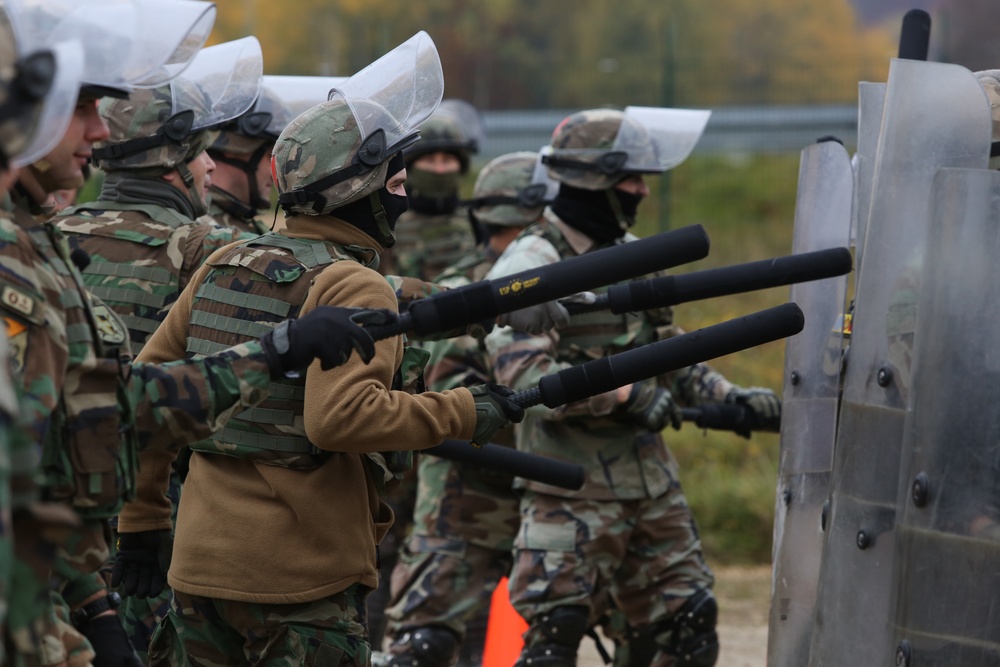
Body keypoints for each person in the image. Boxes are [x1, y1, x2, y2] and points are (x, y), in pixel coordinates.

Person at [110, 32, 524, 667]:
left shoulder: (226, 259)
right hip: (299, 583)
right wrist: (464, 411)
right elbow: (341, 420)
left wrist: (141, 525)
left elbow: (149, 400)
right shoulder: (354, 281)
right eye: (397, 180)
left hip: (198, 572)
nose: (406, 193)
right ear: (360, 192)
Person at [485, 108, 781, 667]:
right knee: (553, 640)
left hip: (652, 492)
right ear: (596, 180)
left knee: (687, 634)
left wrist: (729, 397)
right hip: (573, 497)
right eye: (632, 179)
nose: (644, 190)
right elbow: (522, 380)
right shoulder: (531, 263)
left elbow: (672, 350)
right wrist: (623, 395)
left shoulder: (635, 254)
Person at [383, 152, 554, 667]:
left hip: (550, 485)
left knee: (548, 634)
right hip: (467, 494)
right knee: (428, 639)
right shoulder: (472, 290)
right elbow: (446, 386)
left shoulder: (563, 280)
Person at [367, 98, 484, 648]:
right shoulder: (385, 224)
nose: (439, 169)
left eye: (449, 160)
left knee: (455, 541)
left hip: (459, 399)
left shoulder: (482, 227)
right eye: (428, 159)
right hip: (391, 397)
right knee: (378, 535)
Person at [204, 82, 293, 235]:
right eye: (271, 155)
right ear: (234, 148)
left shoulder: (242, 224)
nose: (277, 174)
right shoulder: (200, 230)